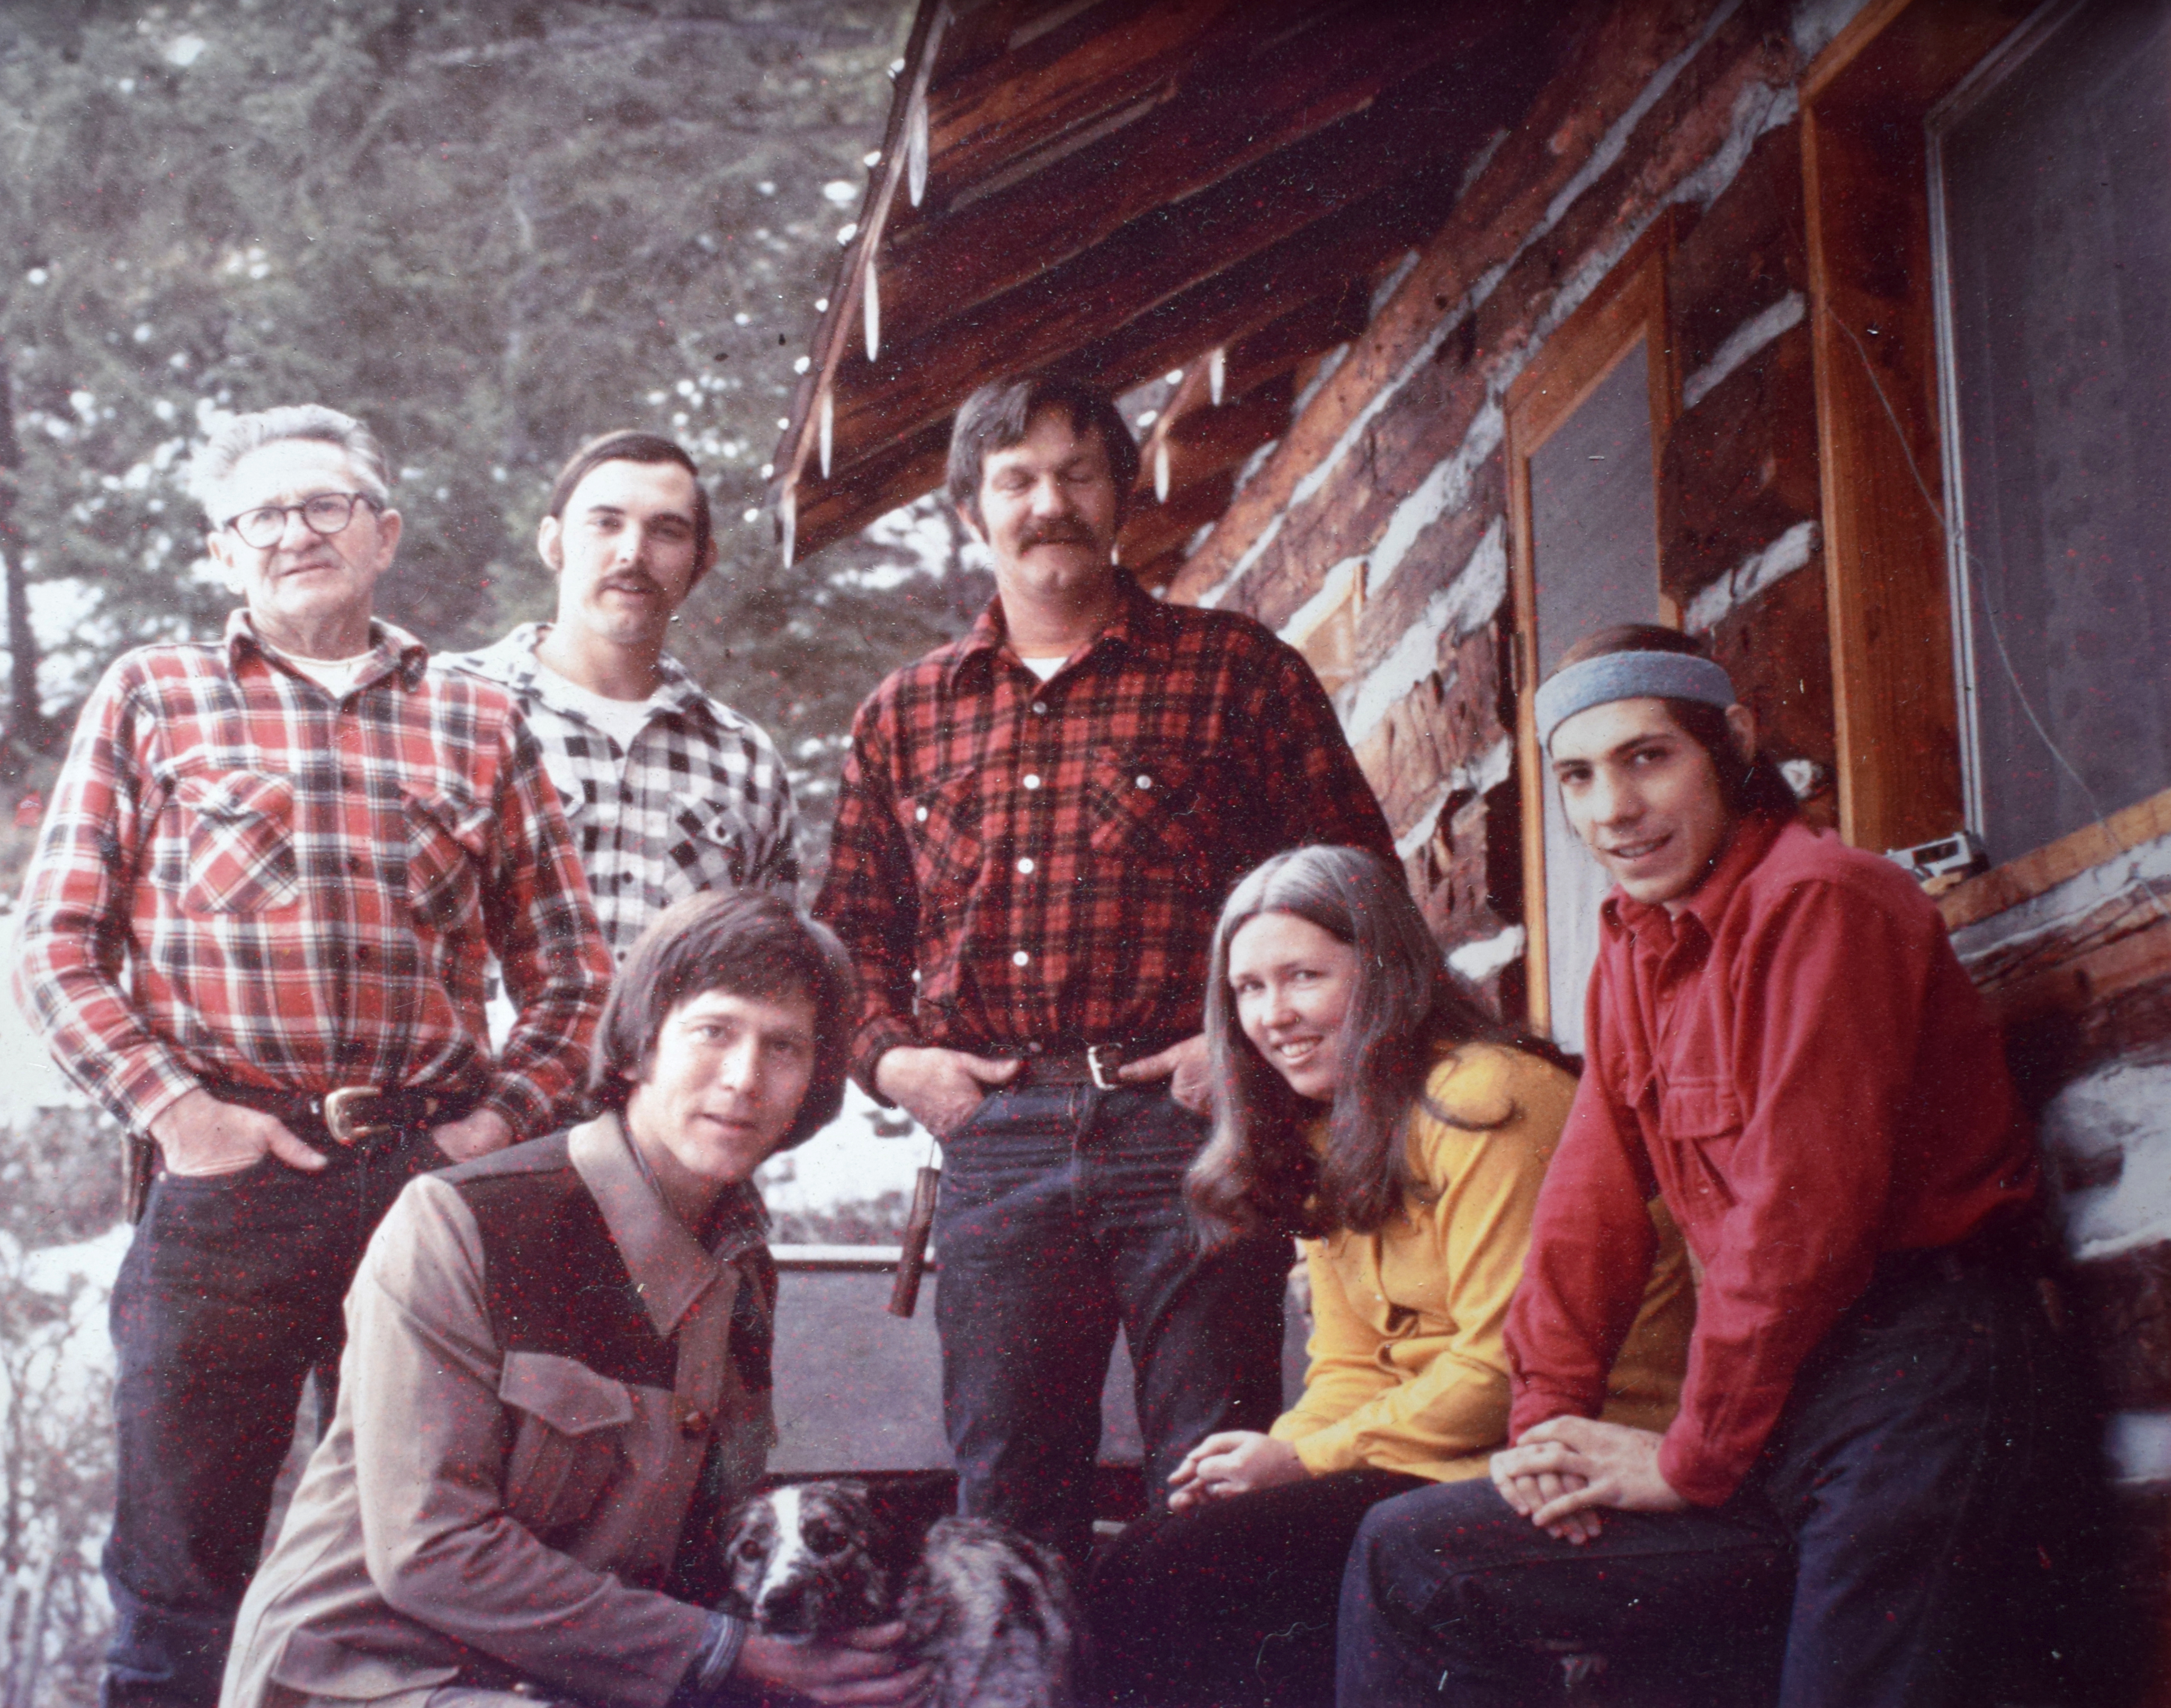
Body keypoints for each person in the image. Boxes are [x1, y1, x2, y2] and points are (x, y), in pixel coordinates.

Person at [13, 405, 606, 1708]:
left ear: (383, 533)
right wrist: (184, 1118)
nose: (295, 532)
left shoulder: (479, 719)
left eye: (326, 505)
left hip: (424, 1180)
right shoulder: (152, 694)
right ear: (224, 553)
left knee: (419, 1544)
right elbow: (50, 950)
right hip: (224, 1185)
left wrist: (485, 1134)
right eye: (262, 515)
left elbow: (571, 979)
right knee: (178, 1567)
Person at [1336, 625, 2049, 1706]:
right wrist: (1547, 1433)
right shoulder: (1635, 950)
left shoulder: (1822, 901)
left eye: (1647, 756)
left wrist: (1688, 1457)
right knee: (1419, 1555)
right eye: (1578, 775)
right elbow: (1588, 1211)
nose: (1613, 808)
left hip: (1923, 1380)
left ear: (1732, 744)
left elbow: (1799, 1222)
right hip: (1775, 1401)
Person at [815, 374, 1404, 1564]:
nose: (1049, 503)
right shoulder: (904, 714)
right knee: (1004, 1484)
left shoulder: (1236, 672)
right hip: (997, 1131)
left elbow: (1360, 896)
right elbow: (847, 941)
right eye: (1016, 480)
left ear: (1124, 493)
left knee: (1218, 1471)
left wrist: (1237, 1054)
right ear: (970, 511)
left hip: (1192, 1129)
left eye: (1078, 474)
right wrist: (900, 1065)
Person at [220, 891, 930, 1708]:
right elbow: (430, 1550)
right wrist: (727, 1655)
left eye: (783, 1047)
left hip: (579, 1677)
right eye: (713, 1031)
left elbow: (711, 1538)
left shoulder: (741, 1270)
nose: (743, 1078)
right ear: (637, 1048)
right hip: (373, 1673)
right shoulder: (461, 1224)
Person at [1087, 846, 1691, 1708]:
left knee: (1185, 1572)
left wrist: (1302, 1459)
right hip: (1433, 1450)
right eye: (1248, 990)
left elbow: (1502, 1368)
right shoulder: (1330, 1129)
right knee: (1154, 1555)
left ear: (1386, 972)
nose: (1273, 1016)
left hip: (1565, 1448)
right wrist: (1274, 1454)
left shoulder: (1486, 1099)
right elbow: (1349, 1364)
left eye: (1302, 977)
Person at [446, 431, 797, 963]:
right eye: (606, 523)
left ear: (701, 562)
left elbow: (767, 976)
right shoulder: (443, 706)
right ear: (552, 542)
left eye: (667, 531)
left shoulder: (745, 761)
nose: (633, 552)